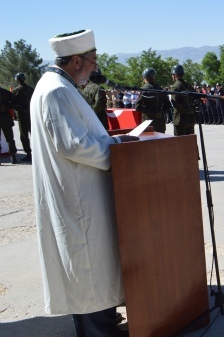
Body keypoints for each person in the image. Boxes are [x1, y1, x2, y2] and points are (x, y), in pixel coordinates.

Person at [30, 29, 138, 337]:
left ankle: (102, 323)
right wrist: (117, 149)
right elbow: (74, 145)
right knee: (89, 268)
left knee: (94, 266)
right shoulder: (56, 91)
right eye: (92, 62)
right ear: (76, 61)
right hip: (78, 198)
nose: (94, 69)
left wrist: (113, 140)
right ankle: (98, 331)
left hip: (81, 190)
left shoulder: (60, 86)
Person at [135, 68, 172, 133]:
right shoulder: (160, 89)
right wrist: (161, 112)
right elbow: (168, 105)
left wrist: (152, 112)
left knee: (149, 142)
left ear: (145, 78)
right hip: (160, 122)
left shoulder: (144, 89)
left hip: (148, 121)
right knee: (160, 142)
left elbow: (137, 107)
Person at [11, 72, 35, 161]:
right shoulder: (31, 89)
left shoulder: (16, 90)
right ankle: (38, 151)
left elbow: (13, 103)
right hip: (31, 114)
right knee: (34, 134)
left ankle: (28, 153)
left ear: (17, 80)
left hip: (22, 115)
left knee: (24, 135)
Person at [170, 64, 197, 135]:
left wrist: (184, 110)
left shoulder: (175, 86)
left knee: (180, 142)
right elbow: (196, 98)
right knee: (190, 142)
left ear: (175, 75)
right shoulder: (188, 85)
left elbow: (175, 102)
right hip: (190, 118)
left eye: (172, 74)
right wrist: (190, 109)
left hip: (180, 119)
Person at [0, 84, 18, 164]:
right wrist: (7, 107)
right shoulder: (6, 92)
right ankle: (13, 156)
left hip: (5, 116)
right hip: (6, 117)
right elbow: (14, 103)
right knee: (10, 139)